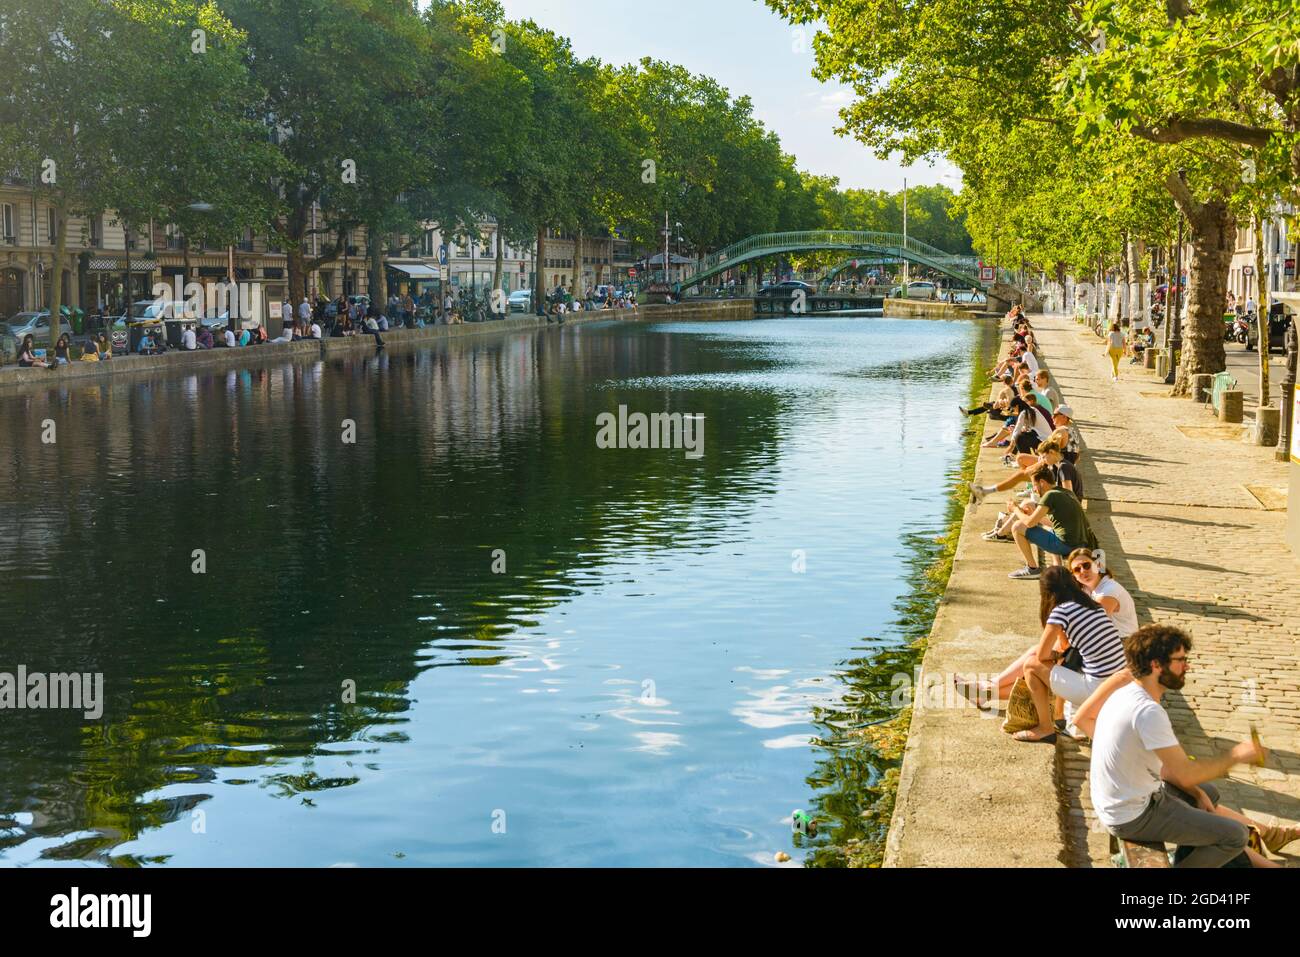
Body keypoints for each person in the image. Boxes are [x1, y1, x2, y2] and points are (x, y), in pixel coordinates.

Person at [1074, 625, 1293, 867]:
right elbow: (1185, 773)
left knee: (1207, 793)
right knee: (1234, 836)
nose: (1186, 667)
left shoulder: (1126, 693)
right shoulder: (1148, 712)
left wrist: (1197, 793)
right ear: (1156, 665)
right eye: (1180, 660)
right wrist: (1237, 756)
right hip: (1132, 815)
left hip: (1119, 801)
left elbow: (1168, 770)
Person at [1008, 465, 1097, 580]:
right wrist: (1033, 514)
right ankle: (1058, 567)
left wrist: (1015, 508)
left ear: (1042, 482)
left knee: (1017, 526)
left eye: (1034, 485)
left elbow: (1029, 524)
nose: (1034, 489)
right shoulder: (1065, 492)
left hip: (1067, 545)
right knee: (1051, 529)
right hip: (1081, 543)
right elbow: (1055, 524)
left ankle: (1032, 569)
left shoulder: (1050, 495)